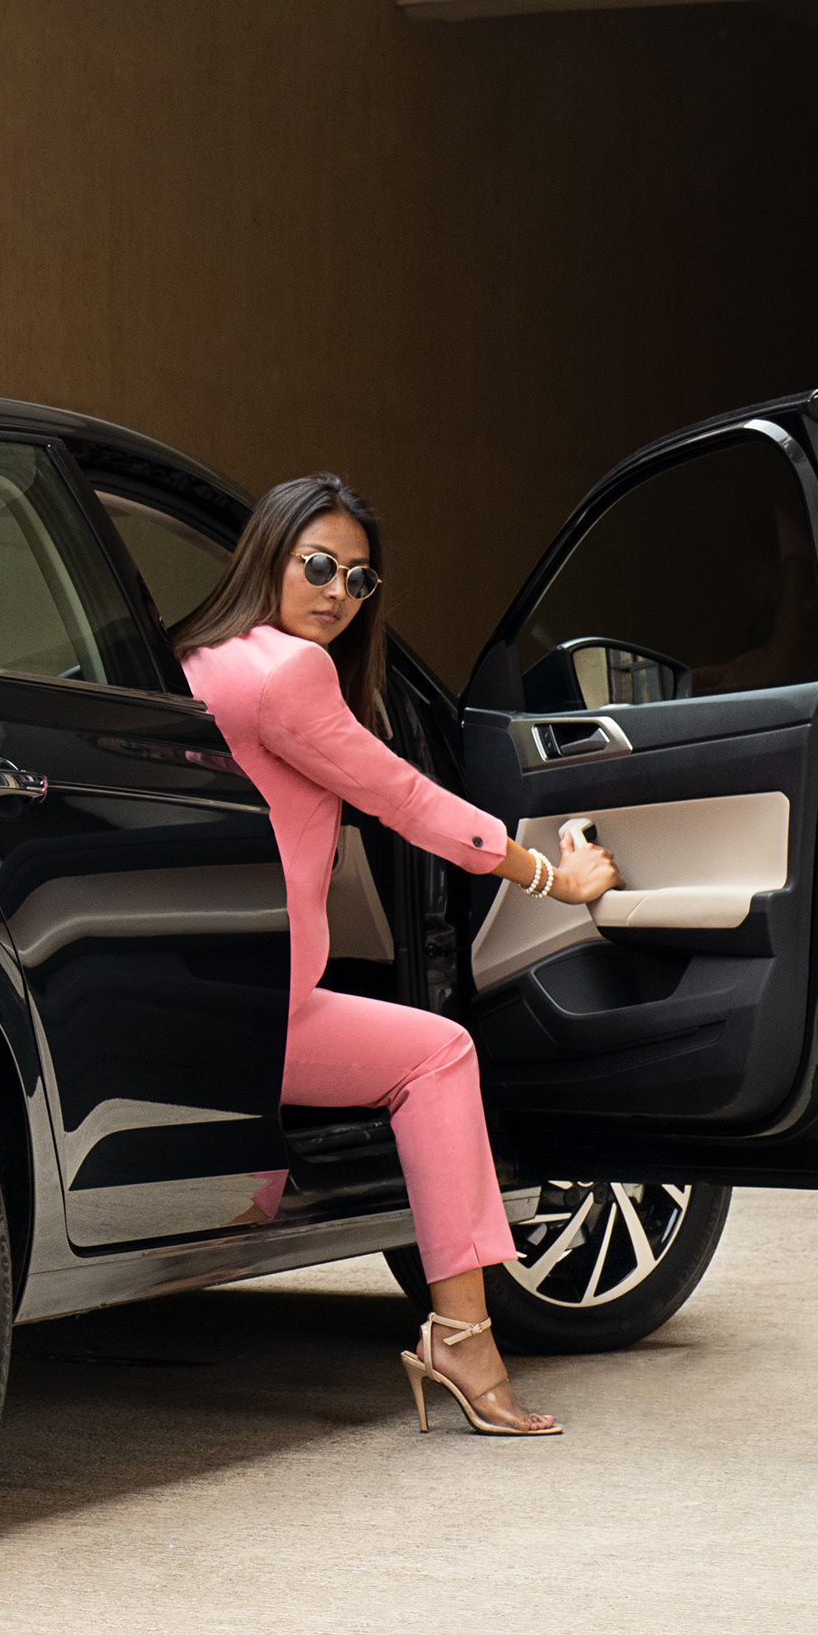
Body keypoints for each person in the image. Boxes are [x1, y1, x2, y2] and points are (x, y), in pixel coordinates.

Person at [170, 472, 619, 1438]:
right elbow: (404, 800)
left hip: (184, 987)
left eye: (359, 579)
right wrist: (552, 876)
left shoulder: (195, 657)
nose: (338, 593)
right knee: (439, 1053)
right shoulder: (292, 674)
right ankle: (463, 1336)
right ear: (271, 556)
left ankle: (253, 1204)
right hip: (261, 1010)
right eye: (319, 566)